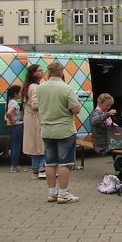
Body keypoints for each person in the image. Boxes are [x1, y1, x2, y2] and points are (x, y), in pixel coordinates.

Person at [37, 61, 81, 204]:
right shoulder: (66, 88)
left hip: (47, 129)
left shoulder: (40, 88)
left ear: (48, 72)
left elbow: (36, 105)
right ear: (62, 73)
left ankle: (52, 193)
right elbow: (75, 109)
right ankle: (63, 193)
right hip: (64, 130)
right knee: (64, 163)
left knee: (50, 163)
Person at [21, 63, 46, 179]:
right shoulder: (35, 87)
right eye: (39, 71)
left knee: (34, 145)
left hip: (30, 117)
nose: (42, 72)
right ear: (33, 73)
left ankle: (35, 170)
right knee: (40, 145)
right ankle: (41, 168)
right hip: (36, 118)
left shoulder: (27, 86)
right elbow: (36, 104)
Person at [5, 85, 25, 173]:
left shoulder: (9, 102)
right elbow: (9, 113)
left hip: (13, 127)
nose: (21, 94)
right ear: (15, 94)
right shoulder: (14, 103)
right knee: (16, 146)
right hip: (17, 126)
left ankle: (14, 164)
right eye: (19, 92)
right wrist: (12, 121)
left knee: (14, 145)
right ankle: (15, 165)